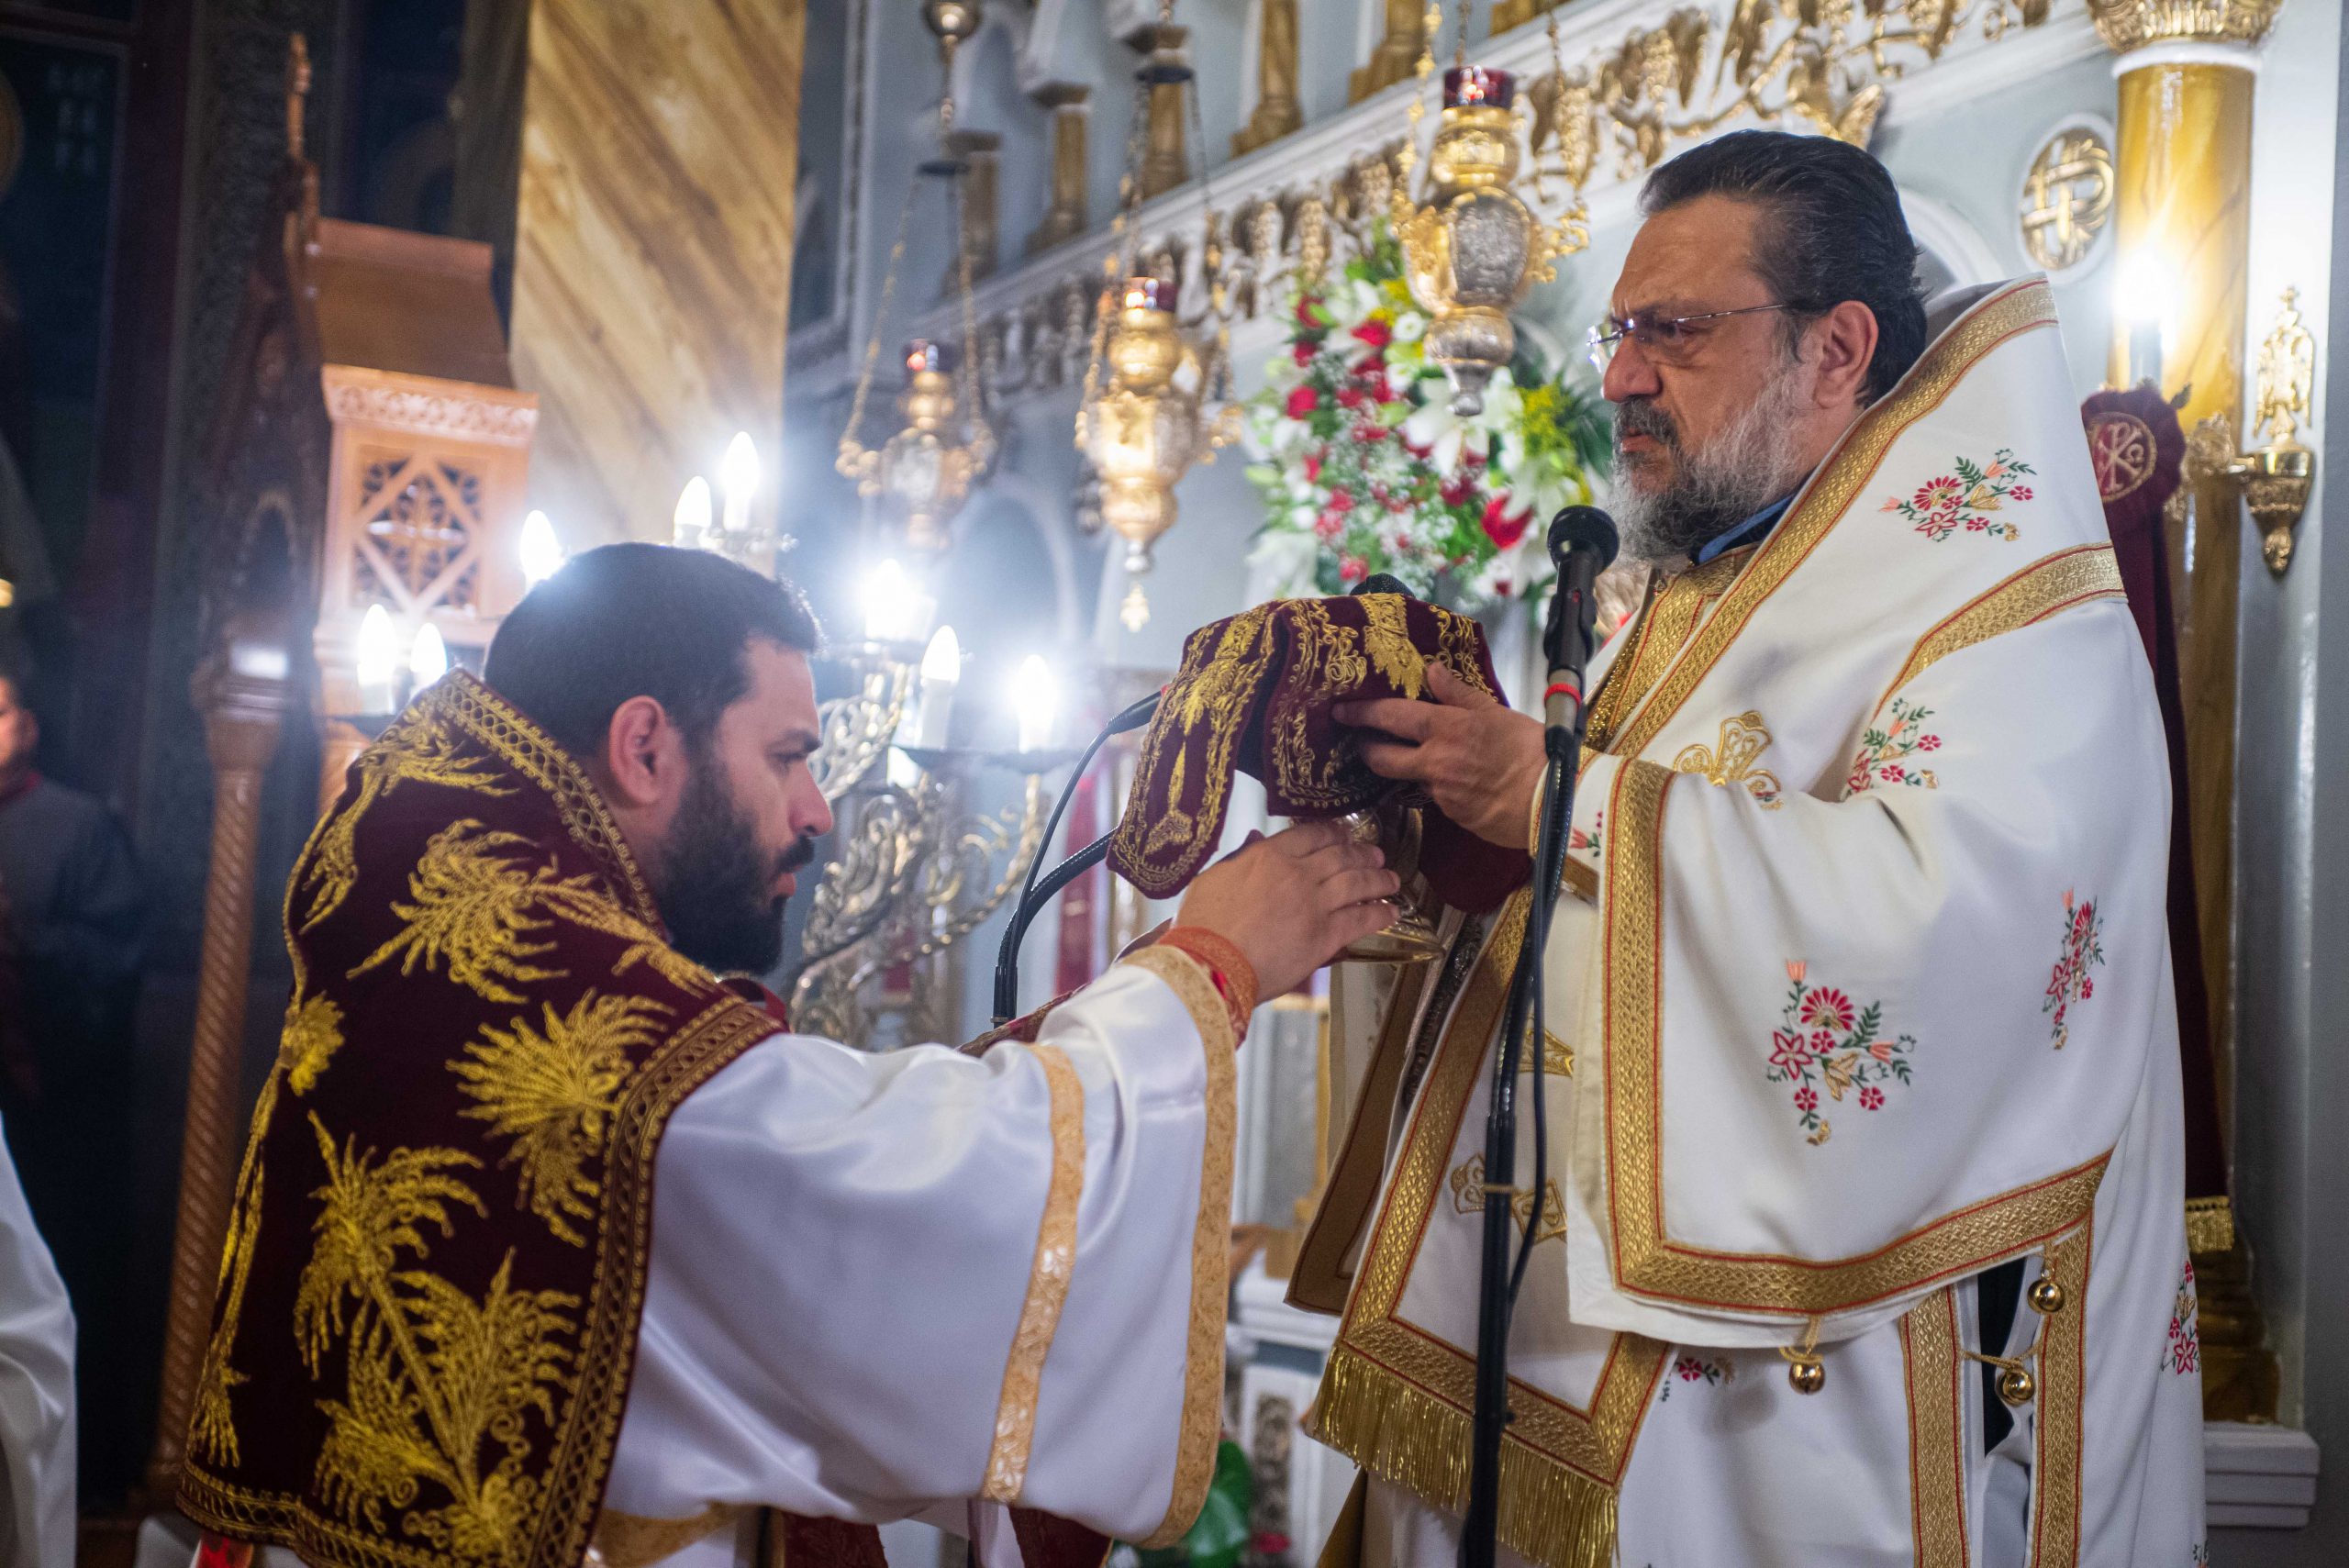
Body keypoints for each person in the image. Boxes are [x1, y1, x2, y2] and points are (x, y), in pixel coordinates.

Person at [1297, 131, 2201, 1566]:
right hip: (1543, 1349)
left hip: (1815, 1403)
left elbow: (1936, 939)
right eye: (1621, 330)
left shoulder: (2014, 614)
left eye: (1675, 331)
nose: (1619, 376)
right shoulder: (1698, 581)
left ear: (1835, 347)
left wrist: (1552, 796)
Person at [175, 544, 1400, 1568]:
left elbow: (778, 1156)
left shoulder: (450, 917)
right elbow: (910, 1190)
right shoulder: (571, 1014)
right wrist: (1211, 967)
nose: (819, 811)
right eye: (789, 755)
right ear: (646, 746)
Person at [0, 656, 140, 1498]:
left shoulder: (78, 826)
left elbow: (116, 968)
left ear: (28, 725)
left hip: (49, 1123)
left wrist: (21, 936)